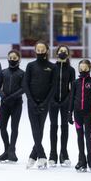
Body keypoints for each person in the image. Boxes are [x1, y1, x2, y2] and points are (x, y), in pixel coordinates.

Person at [25, 41, 58, 169]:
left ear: (47, 50)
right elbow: (25, 84)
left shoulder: (52, 67)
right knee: (35, 128)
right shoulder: (30, 65)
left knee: (40, 127)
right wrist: (32, 101)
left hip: (45, 102)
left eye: (42, 49)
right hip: (32, 102)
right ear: (35, 51)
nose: (39, 52)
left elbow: (53, 86)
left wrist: (45, 102)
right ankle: (42, 155)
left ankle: (34, 155)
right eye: (37, 50)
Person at [68, 60, 91, 172]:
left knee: (88, 135)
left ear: (89, 68)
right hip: (77, 114)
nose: (83, 70)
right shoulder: (75, 82)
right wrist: (69, 113)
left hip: (88, 113)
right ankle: (81, 160)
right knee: (79, 135)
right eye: (81, 68)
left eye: (85, 68)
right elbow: (71, 98)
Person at [48, 45, 75, 167]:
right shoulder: (52, 68)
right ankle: (53, 154)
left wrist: (68, 100)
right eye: (60, 51)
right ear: (57, 53)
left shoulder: (71, 70)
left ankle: (64, 154)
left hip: (65, 102)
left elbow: (73, 88)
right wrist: (51, 99)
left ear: (67, 54)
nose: (62, 53)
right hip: (52, 102)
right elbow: (48, 85)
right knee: (53, 126)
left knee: (64, 127)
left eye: (65, 51)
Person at [0, 50, 24, 163]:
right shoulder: (3, 72)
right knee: (2, 127)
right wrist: (2, 95)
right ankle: (7, 149)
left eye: (14, 58)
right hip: (5, 104)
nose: (12, 60)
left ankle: (12, 150)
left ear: (19, 59)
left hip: (16, 104)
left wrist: (11, 97)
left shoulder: (22, 73)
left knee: (14, 128)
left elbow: (23, 88)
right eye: (10, 58)